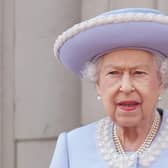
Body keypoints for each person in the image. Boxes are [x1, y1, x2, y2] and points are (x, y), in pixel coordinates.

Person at [50, 8, 168, 168]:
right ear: (98, 84)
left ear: (161, 82)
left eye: (139, 73)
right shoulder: (72, 147)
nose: (126, 87)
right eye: (114, 73)